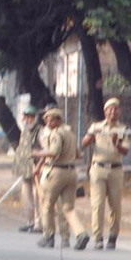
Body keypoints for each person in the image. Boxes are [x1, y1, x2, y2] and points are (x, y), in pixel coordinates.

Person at [34, 107, 89, 250]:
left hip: (56, 172)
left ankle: (48, 236)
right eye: (47, 120)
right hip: (71, 172)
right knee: (68, 208)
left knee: (47, 205)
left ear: (58, 120)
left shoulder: (56, 134)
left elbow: (53, 152)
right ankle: (81, 233)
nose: (48, 123)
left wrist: (37, 154)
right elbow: (79, 154)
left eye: (52, 120)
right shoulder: (69, 133)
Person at [83, 96, 131, 250]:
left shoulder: (123, 129)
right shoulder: (96, 126)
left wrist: (116, 142)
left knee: (115, 205)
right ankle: (97, 237)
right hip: (98, 169)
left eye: (116, 109)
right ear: (105, 112)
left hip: (115, 169)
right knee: (97, 204)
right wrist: (92, 135)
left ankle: (113, 236)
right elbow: (84, 143)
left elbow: (125, 151)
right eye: (110, 109)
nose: (113, 112)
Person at [13, 105, 41, 233]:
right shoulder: (24, 131)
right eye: (27, 117)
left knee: (38, 197)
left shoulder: (40, 131)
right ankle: (29, 221)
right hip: (25, 169)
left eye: (31, 117)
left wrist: (39, 165)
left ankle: (38, 223)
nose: (28, 120)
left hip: (37, 169)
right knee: (27, 197)